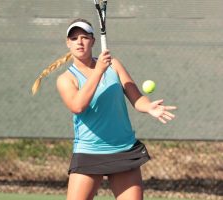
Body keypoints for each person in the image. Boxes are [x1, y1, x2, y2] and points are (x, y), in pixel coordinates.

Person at [32, 18, 177, 200]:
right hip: (89, 151)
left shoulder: (114, 65)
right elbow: (78, 106)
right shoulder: (66, 79)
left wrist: (148, 107)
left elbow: (136, 97)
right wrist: (99, 70)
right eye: (74, 38)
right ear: (67, 43)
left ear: (93, 41)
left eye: (84, 37)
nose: (79, 42)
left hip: (123, 149)